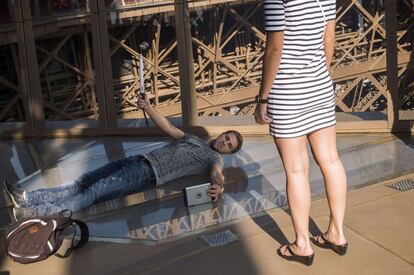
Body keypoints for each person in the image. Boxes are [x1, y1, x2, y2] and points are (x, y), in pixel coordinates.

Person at [4, 92, 243, 221]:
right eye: (227, 137)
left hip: (147, 174)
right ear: (223, 133)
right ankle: (26, 197)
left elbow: (217, 175)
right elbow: (169, 129)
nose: (224, 142)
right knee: (83, 183)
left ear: (228, 152)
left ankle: (31, 213)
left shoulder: (215, 159)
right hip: (138, 161)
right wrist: (149, 108)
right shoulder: (195, 139)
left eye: (229, 145)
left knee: (90, 194)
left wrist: (218, 187)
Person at [255, 0, 348, 266]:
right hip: (320, 85)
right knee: (331, 160)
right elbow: (328, 37)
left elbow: (274, 48)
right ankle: (337, 233)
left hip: (287, 91)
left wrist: (263, 99)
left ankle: (302, 244)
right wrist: (319, 75)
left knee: (296, 169)